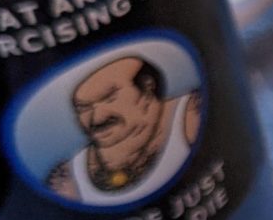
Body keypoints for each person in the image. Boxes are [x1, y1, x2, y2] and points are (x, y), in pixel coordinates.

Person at [45, 52, 201, 205]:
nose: (97, 118)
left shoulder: (192, 114)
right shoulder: (69, 177)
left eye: (109, 98)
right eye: (83, 108)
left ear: (147, 89)